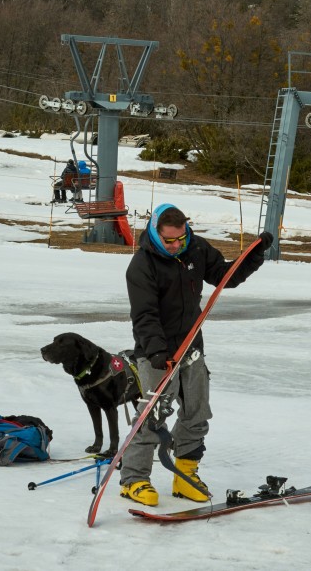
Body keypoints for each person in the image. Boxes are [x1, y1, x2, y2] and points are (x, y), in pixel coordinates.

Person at [119, 203, 273, 507]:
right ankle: (134, 479)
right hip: (156, 351)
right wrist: (157, 352)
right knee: (153, 415)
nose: (177, 245)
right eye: (170, 241)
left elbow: (226, 276)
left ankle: (185, 475)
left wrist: (254, 255)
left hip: (191, 346)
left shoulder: (196, 248)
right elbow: (145, 315)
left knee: (197, 411)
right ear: (155, 233)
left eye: (181, 238)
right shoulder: (141, 266)